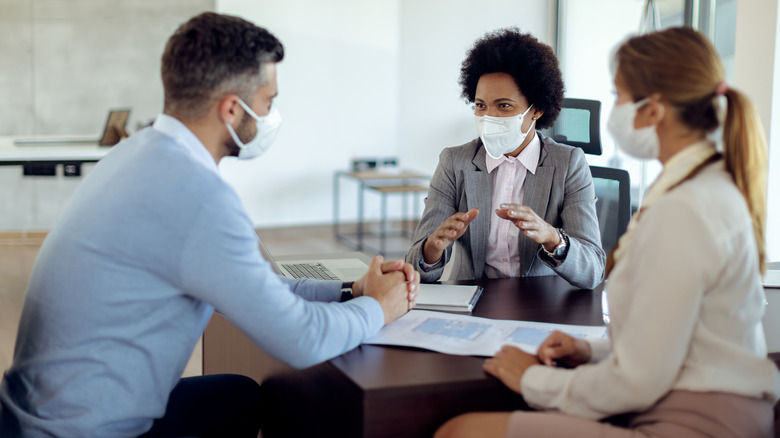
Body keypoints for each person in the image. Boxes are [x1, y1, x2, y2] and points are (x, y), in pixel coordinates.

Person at [0, 12, 419, 438]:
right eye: (268, 102)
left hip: (33, 415)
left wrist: (353, 290)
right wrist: (380, 308)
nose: (271, 115)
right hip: (80, 432)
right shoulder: (196, 197)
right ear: (232, 110)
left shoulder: (138, 152)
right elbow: (302, 338)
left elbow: (255, 285)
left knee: (238, 396)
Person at [435, 26, 779, 438]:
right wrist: (591, 349)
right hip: (682, 399)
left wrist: (532, 379)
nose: (610, 110)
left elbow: (637, 378)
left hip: (687, 417)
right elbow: (669, 338)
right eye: (480, 105)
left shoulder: (684, 209)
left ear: (654, 110)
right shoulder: (700, 189)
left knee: (460, 431)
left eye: (618, 97)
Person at [405, 28, 604, 289]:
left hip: (541, 306)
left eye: (504, 106)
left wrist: (553, 238)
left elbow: (592, 271)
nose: (489, 117)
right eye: (480, 105)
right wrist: (432, 248)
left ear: (537, 109)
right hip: (475, 302)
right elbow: (414, 270)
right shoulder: (454, 162)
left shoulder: (569, 164)